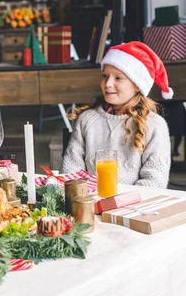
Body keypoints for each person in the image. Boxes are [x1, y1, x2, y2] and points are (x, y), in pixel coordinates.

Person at [62, 41, 172, 188]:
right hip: (89, 204)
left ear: (137, 85)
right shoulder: (87, 120)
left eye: (118, 78)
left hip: (135, 207)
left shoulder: (154, 125)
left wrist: (117, 203)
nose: (108, 84)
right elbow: (71, 170)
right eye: (105, 76)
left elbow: (155, 180)